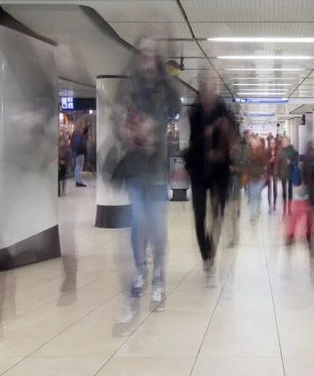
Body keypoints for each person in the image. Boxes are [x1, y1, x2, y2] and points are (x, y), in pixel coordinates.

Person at [114, 37, 181, 320]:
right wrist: (127, 130)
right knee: (138, 221)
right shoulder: (130, 88)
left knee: (156, 226)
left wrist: (156, 127)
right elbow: (118, 121)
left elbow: (176, 108)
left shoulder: (165, 90)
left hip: (155, 171)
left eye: (153, 54)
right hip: (135, 168)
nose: (148, 58)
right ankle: (141, 269)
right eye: (143, 53)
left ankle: (159, 276)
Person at [186, 78, 238, 283]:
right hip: (198, 171)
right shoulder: (194, 112)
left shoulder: (225, 113)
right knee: (199, 217)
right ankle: (206, 256)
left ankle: (211, 254)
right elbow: (192, 141)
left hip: (220, 172)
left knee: (217, 217)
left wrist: (224, 154)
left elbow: (234, 141)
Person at [245, 134, 266, 222]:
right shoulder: (248, 152)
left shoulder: (261, 151)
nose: (253, 144)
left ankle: (256, 211)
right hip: (251, 177)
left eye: (255, 142)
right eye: (252, 142)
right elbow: (246, 164)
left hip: (260, 177)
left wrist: (263, 173)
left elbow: (264, 163)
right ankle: (252, 215)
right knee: (253, 196)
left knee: (257, 196)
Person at [276, 136, 298, 217]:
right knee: (284, 191)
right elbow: (277, 164)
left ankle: (289, 208)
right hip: (283, 174)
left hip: (290, 173)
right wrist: (277, 174)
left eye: (286, 141)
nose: (284, 143)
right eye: (283, 141)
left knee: (290, 190)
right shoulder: (280, 152)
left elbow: (296, 161)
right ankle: (285, 207)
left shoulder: (293, 151)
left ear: (288, 142)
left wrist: (291, 162)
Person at [265, 137, 278, 212]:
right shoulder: (266, 151)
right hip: (269, 171)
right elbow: (265, 162)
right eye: (271, 143)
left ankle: (274, 204)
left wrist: (275, 160)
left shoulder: (278, 151)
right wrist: (270, 161)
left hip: (275, 171)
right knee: (269, 188)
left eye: (274, 143)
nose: (272, 145)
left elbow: (279, 162)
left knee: (275, 187)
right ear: (269, 144)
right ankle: (270, 205)